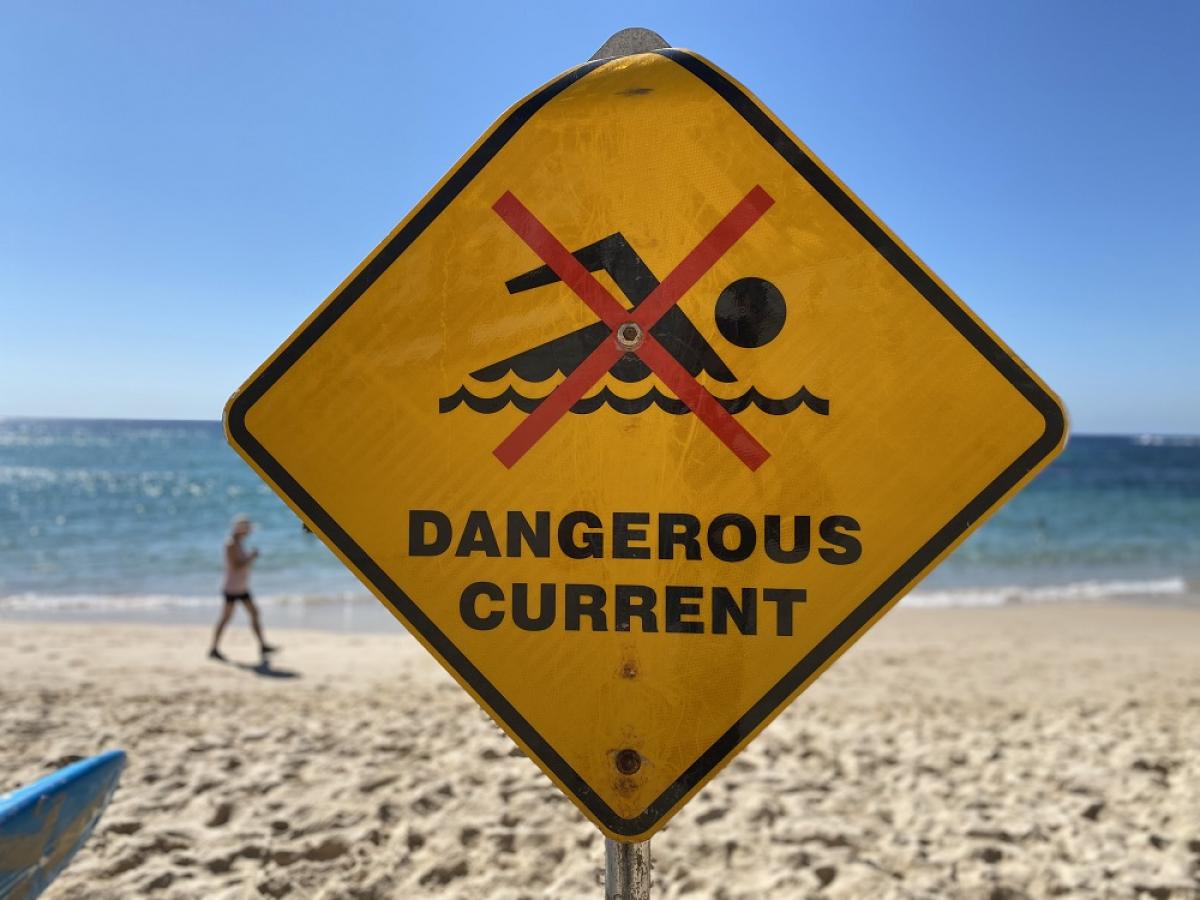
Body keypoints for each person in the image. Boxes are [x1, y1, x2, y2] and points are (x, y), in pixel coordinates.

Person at [209, 515, 278, 661]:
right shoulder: (231, 544)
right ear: (240, 529)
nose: (249, 532)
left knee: (254, 613)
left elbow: (240, 564)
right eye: (247, 529)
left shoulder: (239, 542)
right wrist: (251, 557)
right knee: (226, 618)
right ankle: (214, 648)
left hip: (241, 587)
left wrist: (249, 558)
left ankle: (262, 645)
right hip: (232, 588)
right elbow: (236, 565)